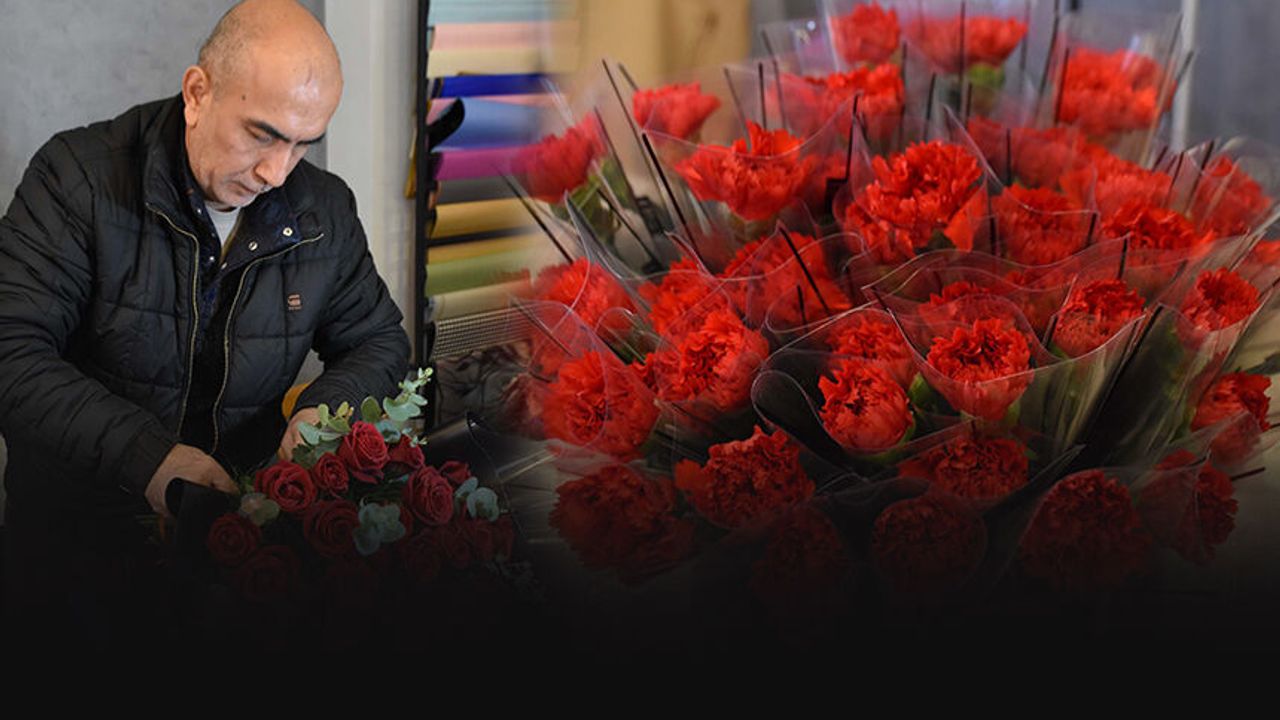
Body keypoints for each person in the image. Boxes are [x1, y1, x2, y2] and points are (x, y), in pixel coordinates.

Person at [0, 0, 409, 646]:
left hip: (240, 547)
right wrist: (148, 458)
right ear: (197, 93)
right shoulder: (76, 179)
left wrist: (322, 416)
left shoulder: (325, 209)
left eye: (304, 143)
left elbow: (380, 340)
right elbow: (11, 352)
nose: (278, 172)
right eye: (263, 134)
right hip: (76, 545)